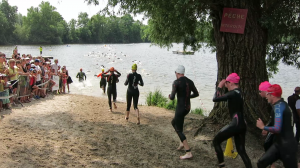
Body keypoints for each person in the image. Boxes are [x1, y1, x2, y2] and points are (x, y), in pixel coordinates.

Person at [212, 73, 252, 168]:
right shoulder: (240, 92)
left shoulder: (232, 93)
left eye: (226, 83)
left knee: (216, 141)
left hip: (236, 124)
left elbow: (215, 98)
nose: (225, 85)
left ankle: (222, 165)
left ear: (230, 83)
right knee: (241, 150)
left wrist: (219, 87)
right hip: (242, 124)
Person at [256, 84, 298, 168]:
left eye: (267, 94)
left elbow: (277, 128)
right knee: (261, 163)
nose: (266, 96)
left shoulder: (278, 107)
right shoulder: (282, 104)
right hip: (278, 144)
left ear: (272, 95)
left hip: (287, 147)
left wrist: (263, 127)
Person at [169, 65, 199, 160]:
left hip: (180, 108)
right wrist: (187, 96)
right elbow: (196, 94)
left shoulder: (176, 82)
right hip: (187, 108)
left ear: (177, 73)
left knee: (178, 129)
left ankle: (188, 152)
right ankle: (182, 142)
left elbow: (173, 97)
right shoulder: (190, 82)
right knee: (174, 122)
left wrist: (170, 96)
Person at [258, 81, 276, 168]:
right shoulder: (270, 101)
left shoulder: (273, 102)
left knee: (268, 144)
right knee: (267, 144)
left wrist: (266, 128)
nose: (259, 93)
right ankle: (272, 164)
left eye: (260, 91)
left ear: (265, 91)